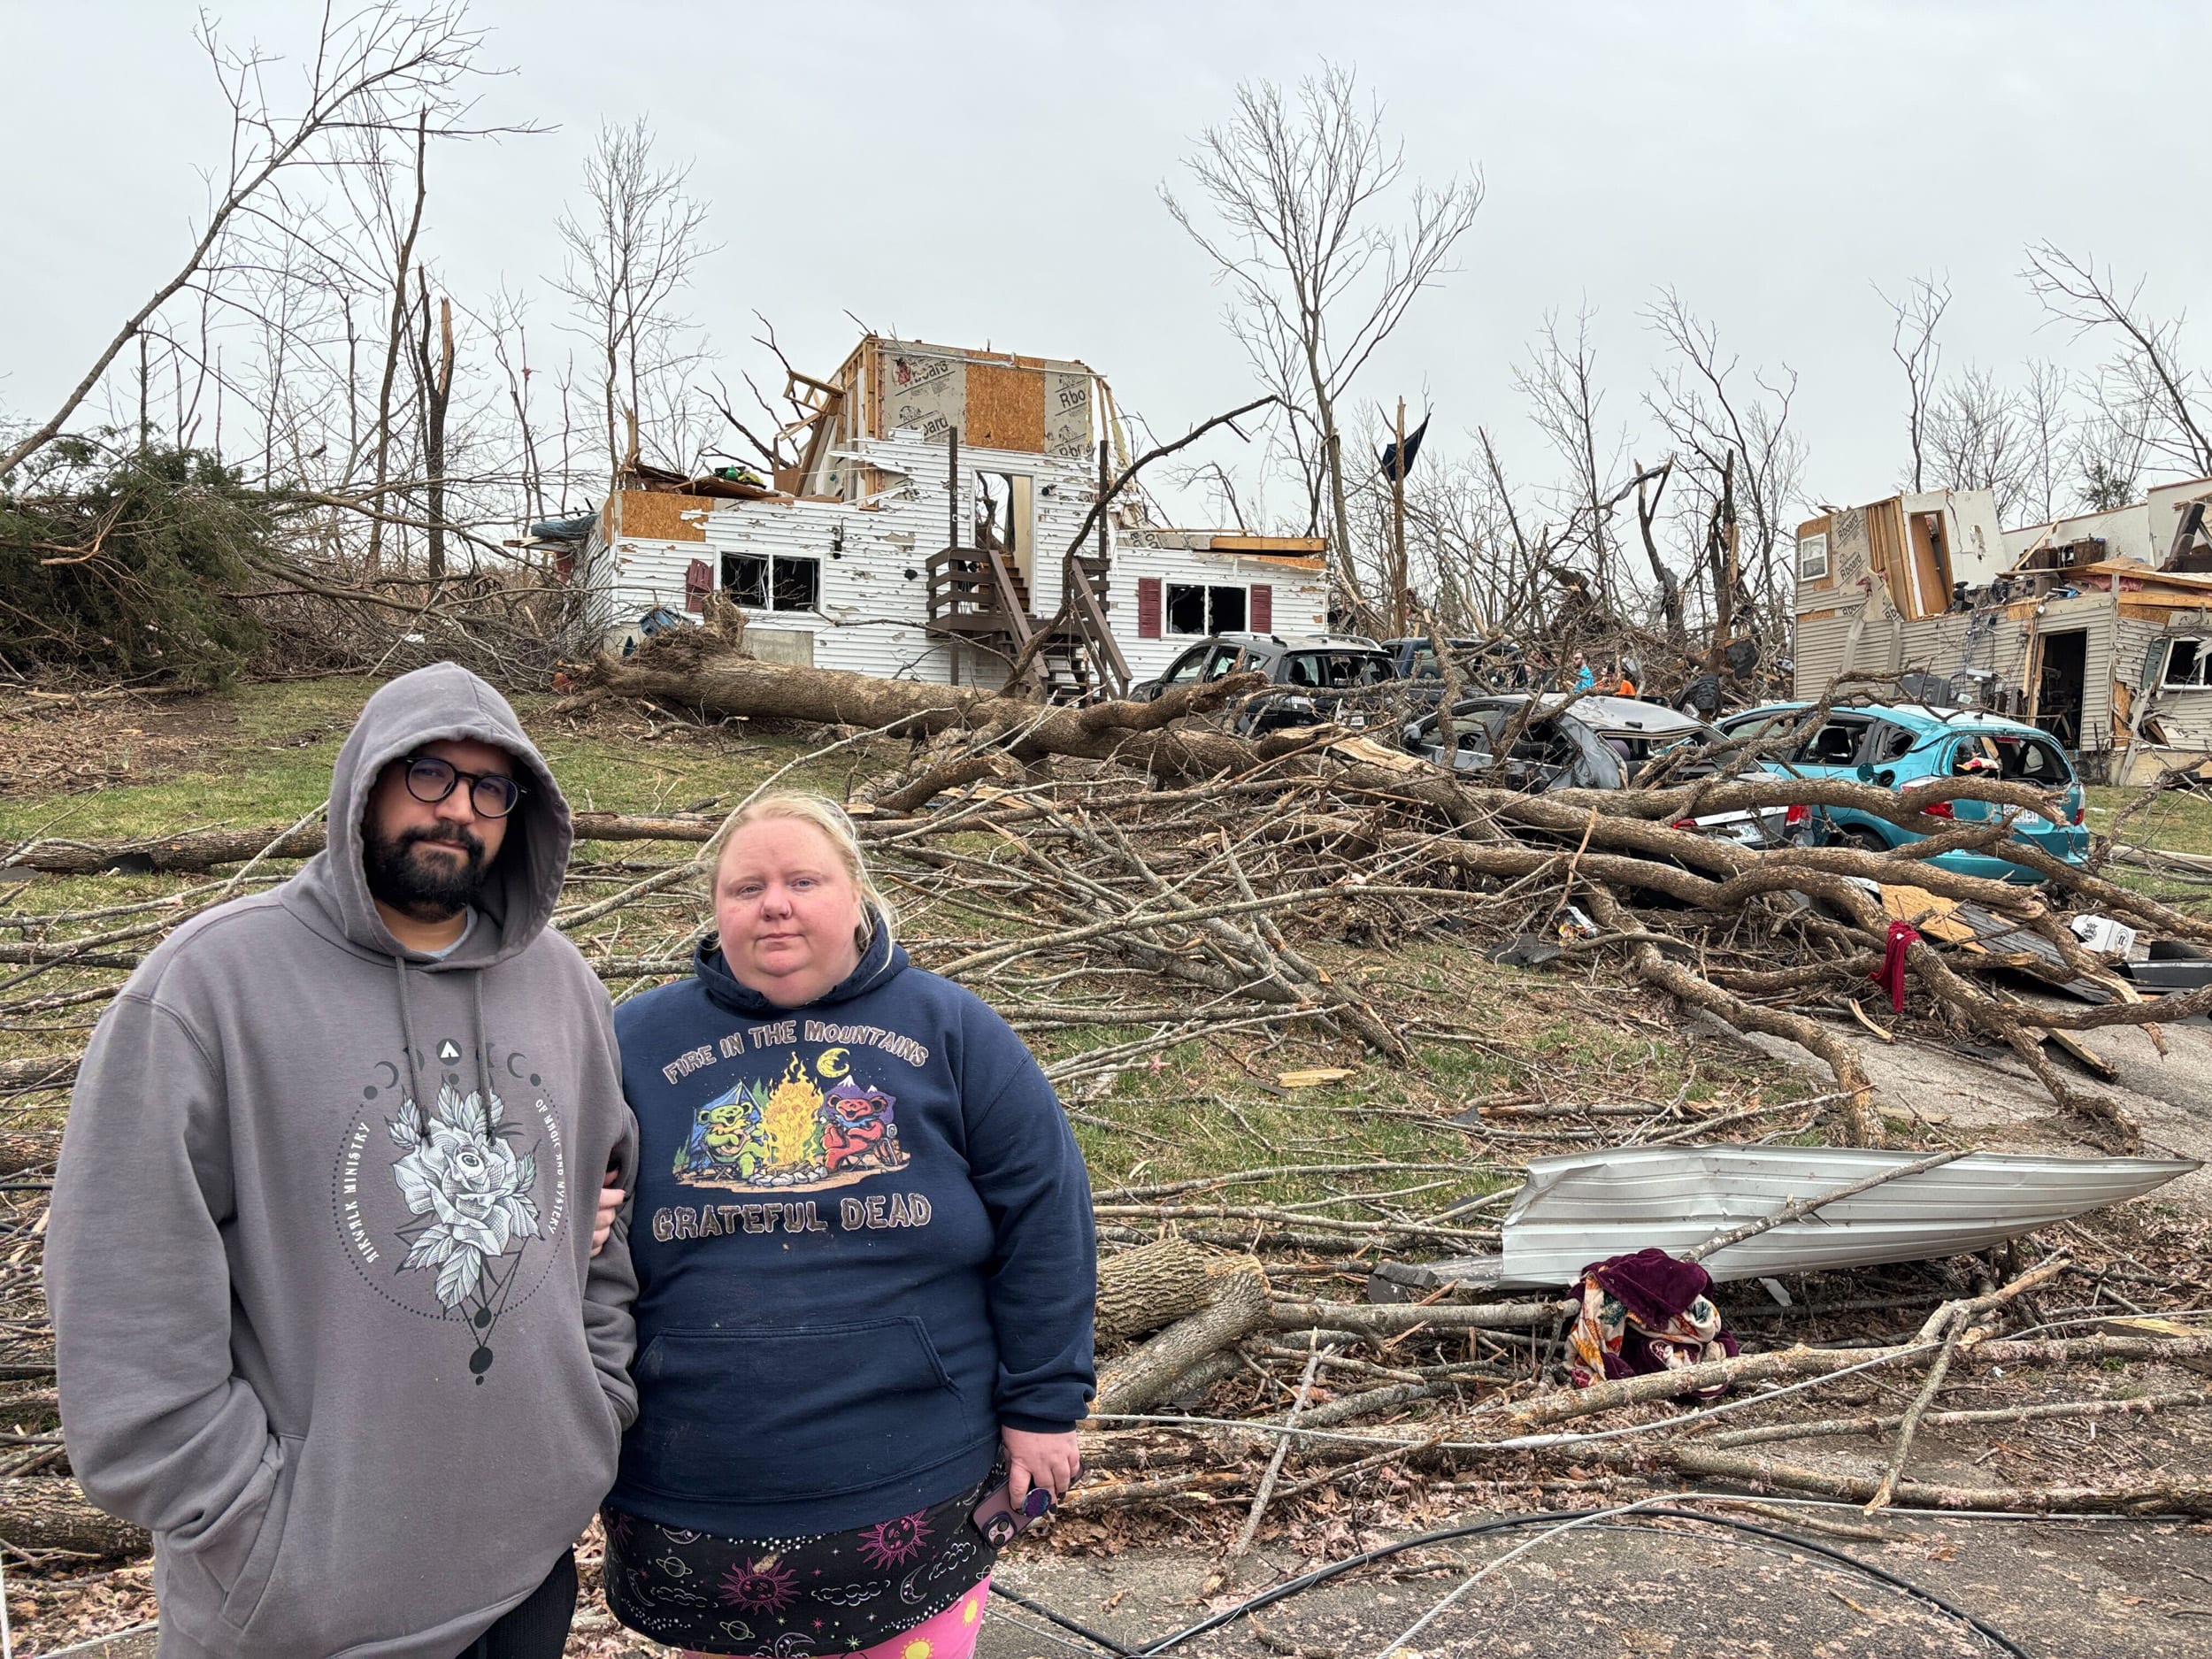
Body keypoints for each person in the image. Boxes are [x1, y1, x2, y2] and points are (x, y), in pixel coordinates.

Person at [46, 663, 638, 1659]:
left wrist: (592, 1413)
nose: (459, 811)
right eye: (431, 776)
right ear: (364, 782)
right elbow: (123, 1293)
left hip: (523, 1572)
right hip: (304, 1612)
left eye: (492, 790)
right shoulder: (209, 990)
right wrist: (255, 1528)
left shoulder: (561, 984)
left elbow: (603, 1221)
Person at [603, 793, 1095, 1659]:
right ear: (716, 908)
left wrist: (1045, 1406)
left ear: (857, 894)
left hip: (918, 1489)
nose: (775, 903)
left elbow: (1047, 1222)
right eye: (746, 885)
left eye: (803, 879)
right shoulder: (633, 1042)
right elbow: (560, 1223)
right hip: (693, 1503)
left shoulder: (953, 1030)